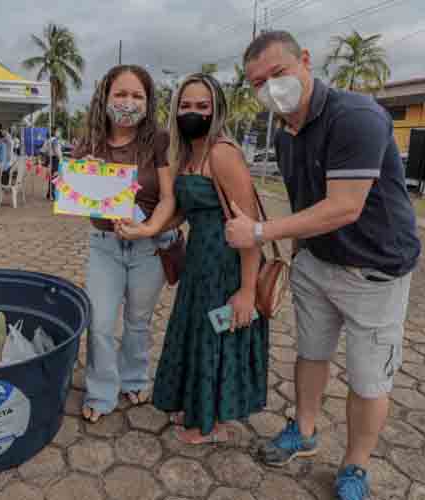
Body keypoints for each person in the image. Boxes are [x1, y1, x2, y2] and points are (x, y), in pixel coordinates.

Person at [230, 31, 421, 500]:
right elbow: (305, 201)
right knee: (311, 354)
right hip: (318, 264)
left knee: (368, 379)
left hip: (374, 271)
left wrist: (259, 232)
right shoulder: (285, 134)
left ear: (306, 62)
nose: (271, 88)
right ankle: (305, 430)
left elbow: (343, 207)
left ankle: (355, 466)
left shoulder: (355, 117)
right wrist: (299, 257)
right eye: (259, 82)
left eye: (278, 73)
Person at [119, 73, 269, 444]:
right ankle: (197, 407)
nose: (193, 112)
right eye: (186, 105)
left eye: (202, 106)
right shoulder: (187, 153)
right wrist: (145, 228)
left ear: (216, 109)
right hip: (199, 262)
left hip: (228, 264)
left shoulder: (222, 152)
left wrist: (248, 290)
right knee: (198, 333)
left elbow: (251, 228)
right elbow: (184, 212)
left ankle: (213, 422)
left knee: (218, 335)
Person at [72, 65, 177, 423]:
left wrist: (149, 229)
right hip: (104, 246)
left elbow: (167, 199)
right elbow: (71, 195)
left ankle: (133, 378)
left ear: (148, 102)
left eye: (137, 96)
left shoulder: (158, 140)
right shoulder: (89, 141)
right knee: (100, 323)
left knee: (137, 321)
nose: (128, 103)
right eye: (121, 94)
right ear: (106, 97)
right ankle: (101, 392)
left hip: (148, 247)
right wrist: (82, 178)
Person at [45, 129, 63, 200]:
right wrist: (60, 158)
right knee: (54, 177)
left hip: (51, 159)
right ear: (54, 132)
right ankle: (52, 194)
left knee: (51, 177)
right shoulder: (54, 140)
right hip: (55, 159)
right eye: (58, 132)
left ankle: (49, 194)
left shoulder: (49, 140)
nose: (59, 133)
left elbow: (46, 151)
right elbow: (56, 151)